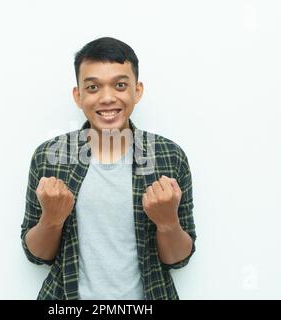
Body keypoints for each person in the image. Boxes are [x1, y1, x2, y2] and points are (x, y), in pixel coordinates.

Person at [20, 37, 196, 300]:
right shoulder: (50, 157)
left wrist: (168, 222)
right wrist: (52, 220)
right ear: (78, 96)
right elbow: (36, 255)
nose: (107, 98)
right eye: (92, 87)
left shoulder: (170, 156)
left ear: (137, 91)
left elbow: (178, 260)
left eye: (120, 85)